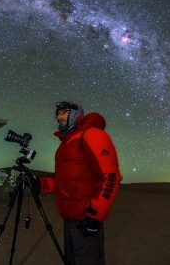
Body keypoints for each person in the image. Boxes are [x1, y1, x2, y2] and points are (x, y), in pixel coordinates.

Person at [39, 101, 121, 265]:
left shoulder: (91, 135)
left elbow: (110, 176)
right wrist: (39, 184)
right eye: (57, 114)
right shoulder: (67, 142)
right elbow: (66, 181)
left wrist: (95, 216)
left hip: (85, 218)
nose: (59, 116)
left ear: (76, 113)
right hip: (70, 219)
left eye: (63, 112)